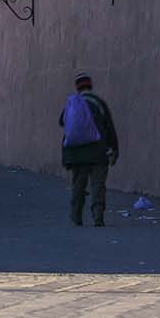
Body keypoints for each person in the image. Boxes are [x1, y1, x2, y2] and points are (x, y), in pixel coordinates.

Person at [60, 71, 119, 228]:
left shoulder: (73, 103)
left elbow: (62, 122)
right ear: (90, 85)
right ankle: (98, 217)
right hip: (99, 153)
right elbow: (110, 128)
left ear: (77, 87)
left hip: (77, 154)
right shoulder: (98, 102)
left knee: (79, 185)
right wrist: (114, 149)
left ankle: (76, 216)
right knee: (98, 185)